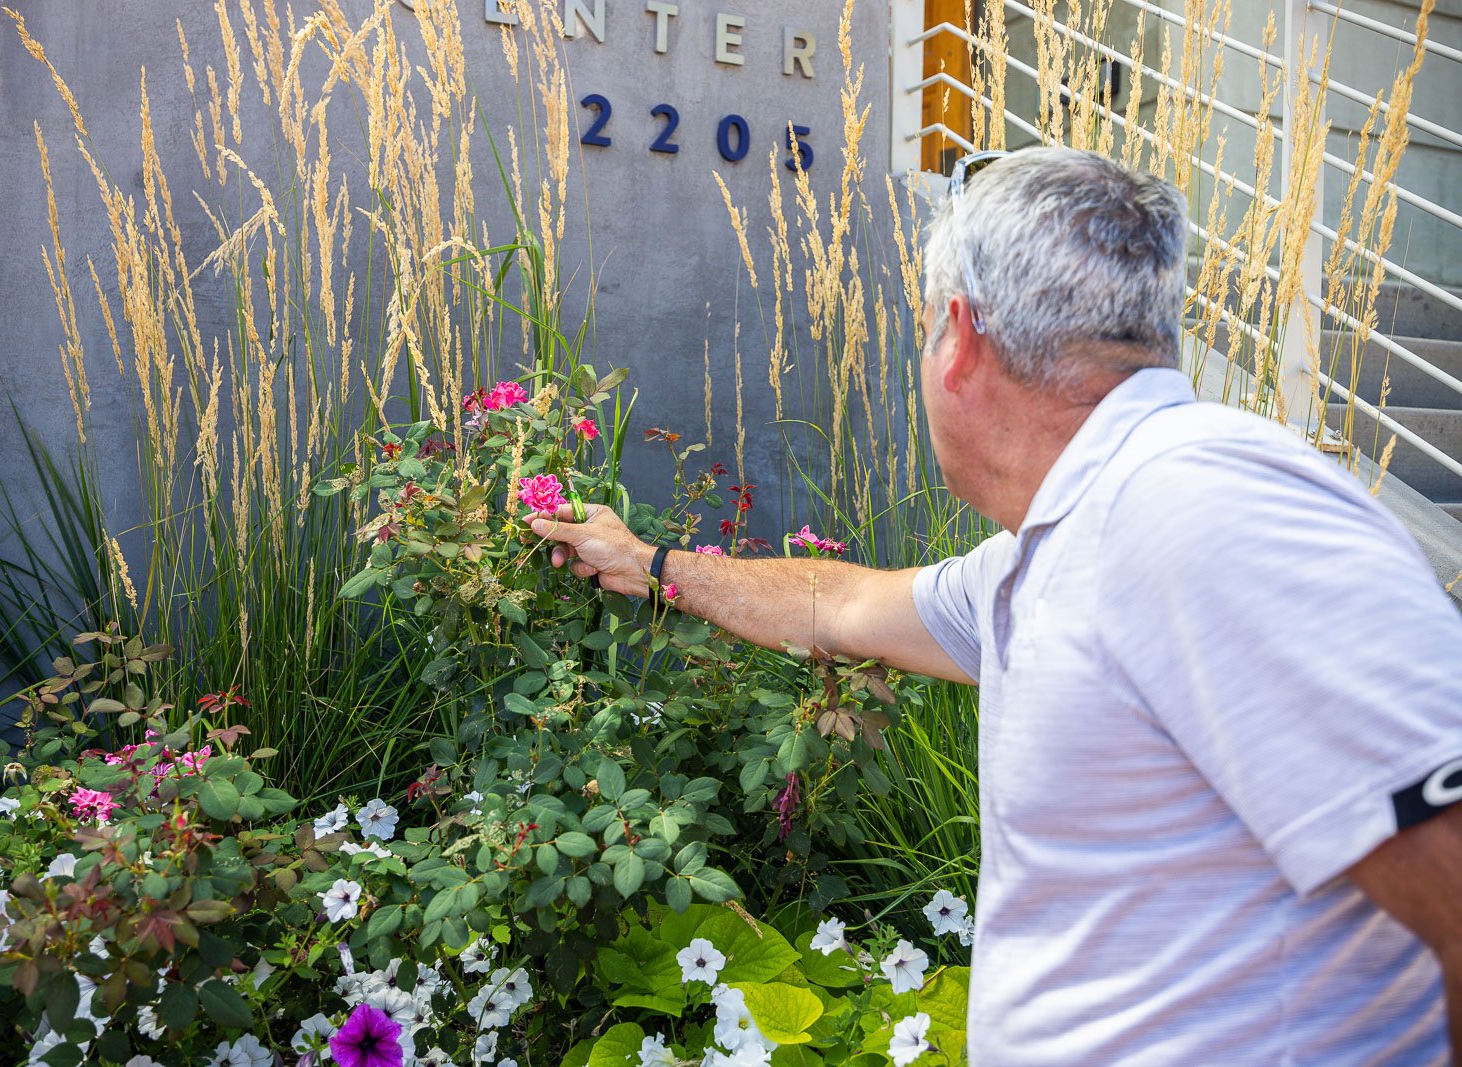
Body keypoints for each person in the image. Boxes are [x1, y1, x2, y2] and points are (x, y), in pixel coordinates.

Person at [527, 146, 1462, 1065]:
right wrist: (650, 561)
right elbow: (845, 604)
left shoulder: (1196, 510)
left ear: (960, 339)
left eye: (926, 328)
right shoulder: (1062, 540)